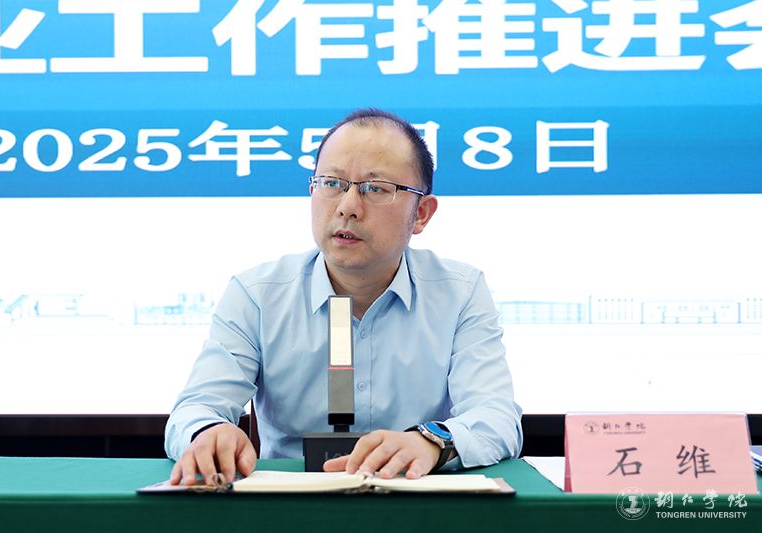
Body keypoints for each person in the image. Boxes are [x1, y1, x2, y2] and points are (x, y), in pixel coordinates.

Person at [165, 108, 522, 485]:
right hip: (290, 504)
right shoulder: (257, 295)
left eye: (376, 188)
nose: (347, 206)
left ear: (421, 214)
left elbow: (496, 419)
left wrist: (431, 442)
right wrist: (207, 433)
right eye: (332, 183)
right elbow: (195, 409)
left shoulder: (459, 292)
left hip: (416, 500)